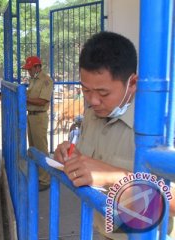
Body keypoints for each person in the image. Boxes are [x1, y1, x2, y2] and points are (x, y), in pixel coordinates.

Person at [54, 31, 175, 239]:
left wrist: (115, 177)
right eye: (85, 90)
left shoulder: (163, 125)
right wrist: (70, 156)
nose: (93, 101)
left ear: (133, 83)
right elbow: (87, 161)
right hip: (104, 231)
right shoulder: (92, 114)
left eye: (103, 93)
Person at [22, 56, 53, 191]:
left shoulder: (46, 80)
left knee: (41, 148)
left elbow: (42, 101)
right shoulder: (33, 80)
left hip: (39, 117)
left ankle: (45, 180)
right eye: (27, 69)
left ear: (37, 67)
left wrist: (25, 98)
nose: (28, 71)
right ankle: (37, 177)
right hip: (31, 116)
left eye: (30, 69)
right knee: (33, 148)